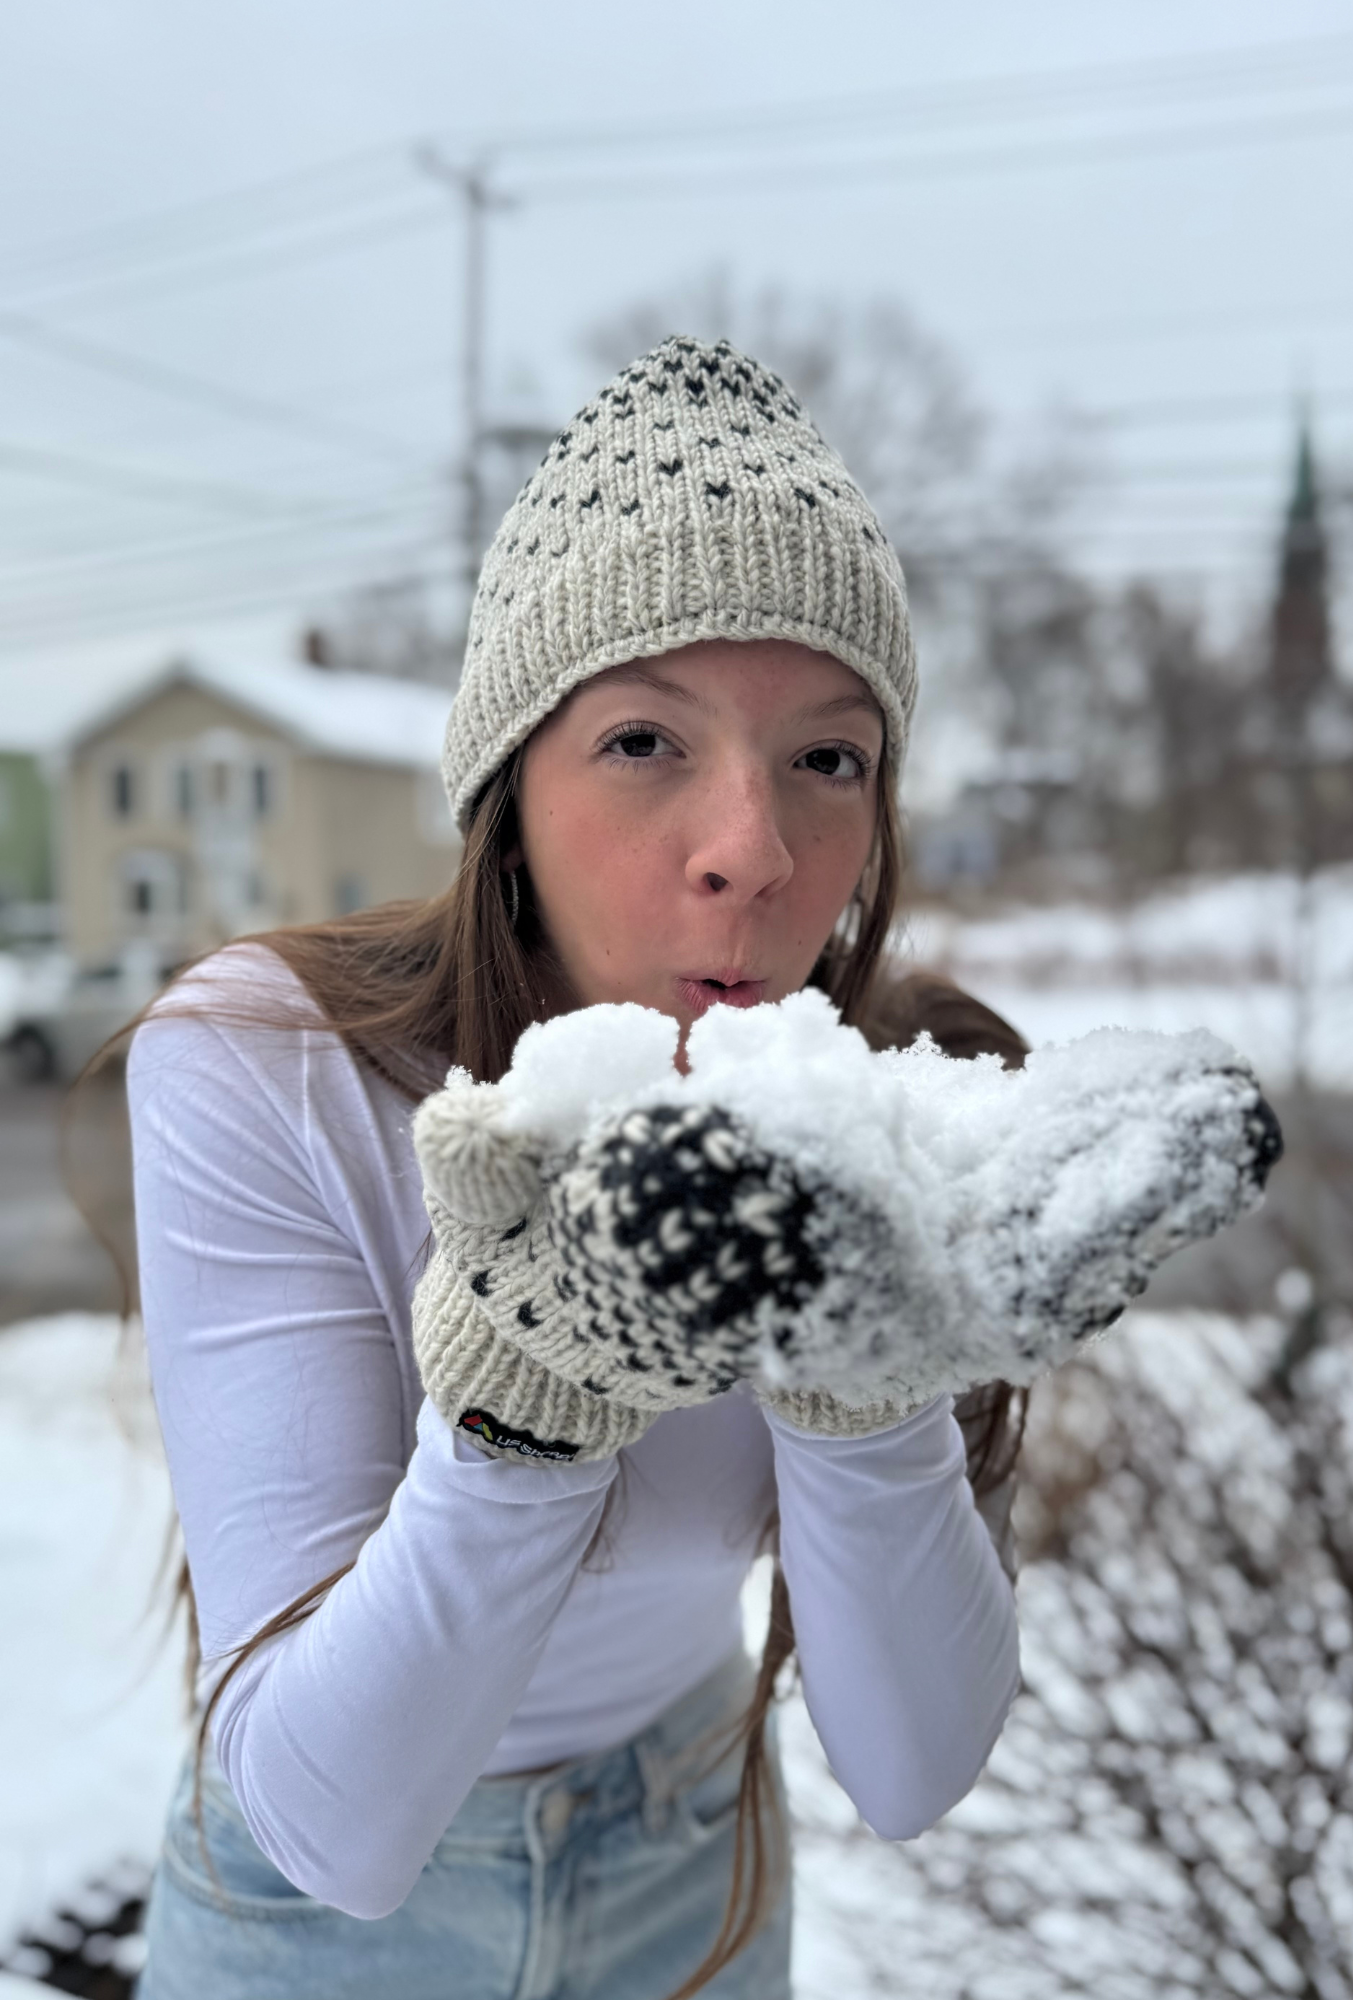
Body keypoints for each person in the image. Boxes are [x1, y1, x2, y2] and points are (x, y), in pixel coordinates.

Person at [126, 335, 1032, 2000]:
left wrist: (865, 1366)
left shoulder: (906, 1105)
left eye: (829, 758)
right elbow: (342, 1827)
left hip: (690, 1871)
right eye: (642, 742)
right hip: (313, 1930)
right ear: (508, 788)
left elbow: (912, 1769)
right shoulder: (278, 1067)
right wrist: (525, 1405)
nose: (753, 850)